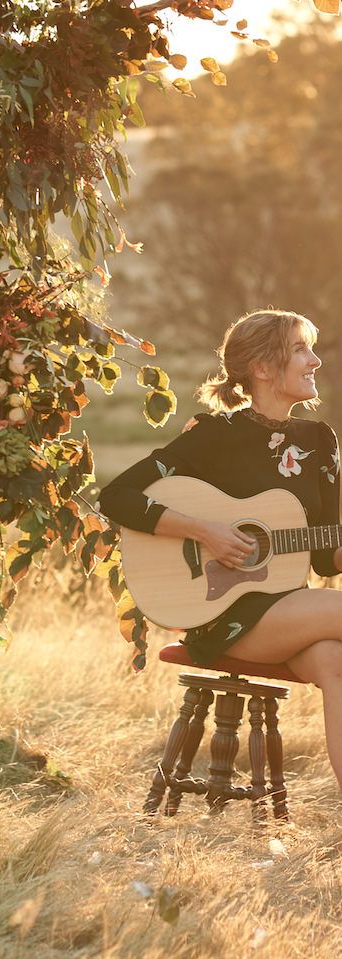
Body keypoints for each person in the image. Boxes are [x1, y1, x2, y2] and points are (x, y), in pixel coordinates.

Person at [98, 308, 342, 786]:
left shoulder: (319, 440)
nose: (315, 361)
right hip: (223, 614)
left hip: (292, 609)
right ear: (263, 369)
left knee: (335, 663)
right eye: (301, 349)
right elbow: (117, 497)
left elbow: (321, 554)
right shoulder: (214, 436)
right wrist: (204, 531)